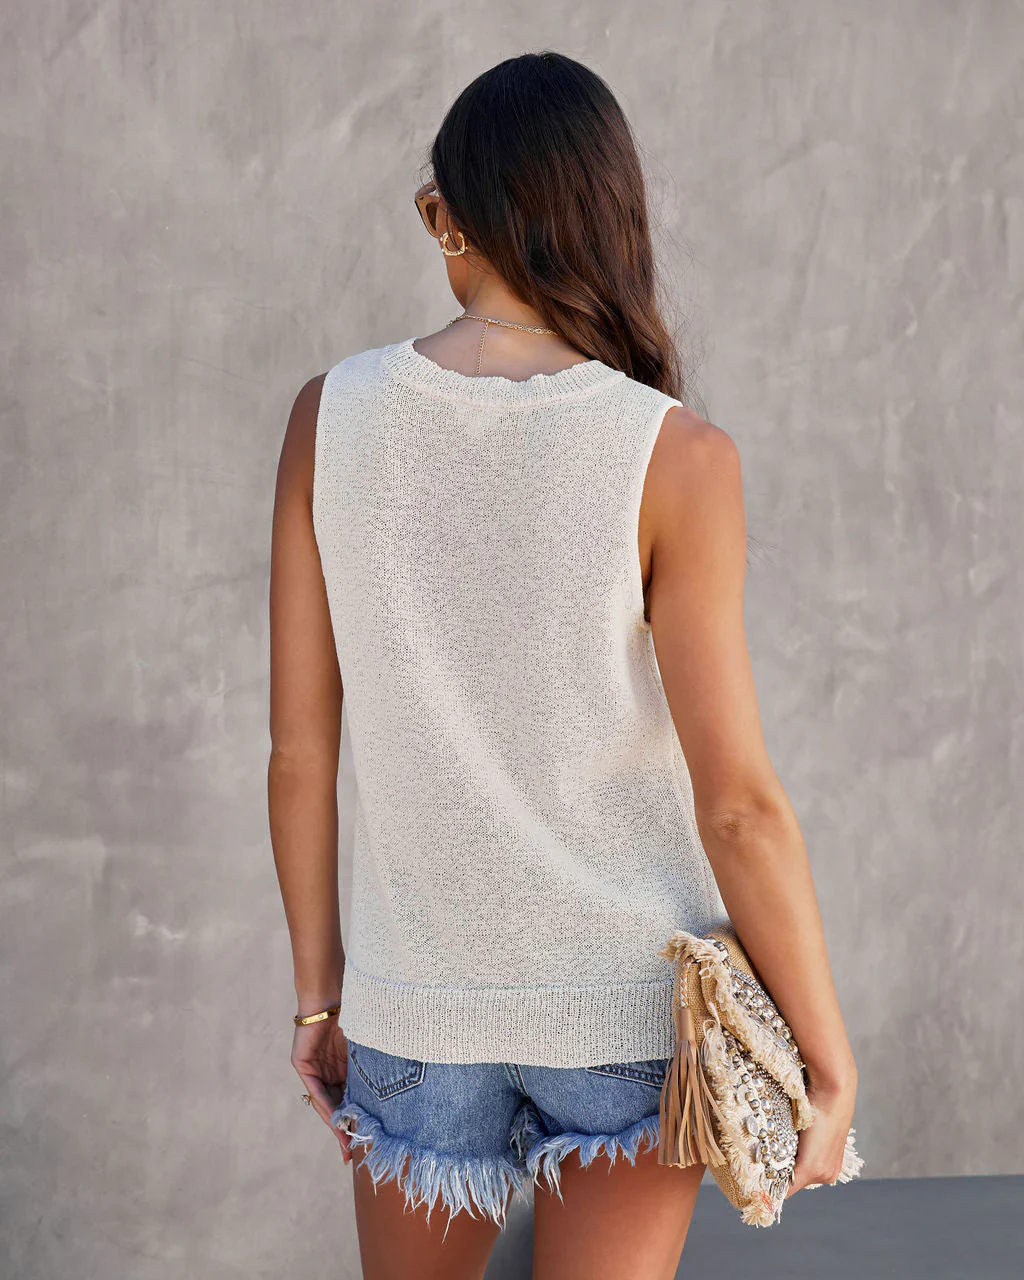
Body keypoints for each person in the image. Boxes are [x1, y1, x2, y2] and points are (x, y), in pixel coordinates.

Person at [268, 50, 857, 1280]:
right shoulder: (676, 454)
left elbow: (300, 754)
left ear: (445, 217)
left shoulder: (330, 417)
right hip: (623, 1011)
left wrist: (322, 998)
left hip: (412, 1007)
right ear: (611, 220)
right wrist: (824, 1048)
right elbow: (739, 805)